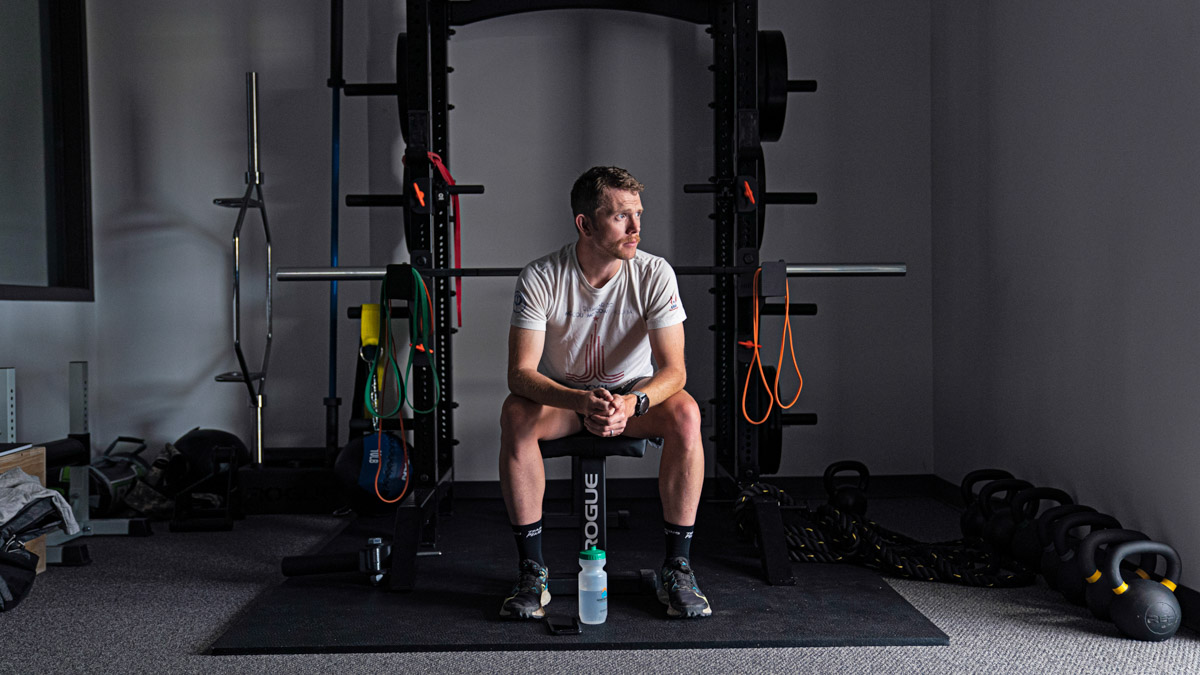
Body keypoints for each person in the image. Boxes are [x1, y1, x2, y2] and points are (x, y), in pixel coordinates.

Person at [498, 166, 710, 620]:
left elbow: (675, 371)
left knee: (687, 414)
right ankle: (532, 572)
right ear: (586, 224)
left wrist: (633, 402)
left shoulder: (654, 274)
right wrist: (579, 400)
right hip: (565, 400)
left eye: (638, 214)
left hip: (632, 398)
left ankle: (678, 567)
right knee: (516, 413)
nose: (635, 228)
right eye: (621, 217)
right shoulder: (541, 276)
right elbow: (520, 374)